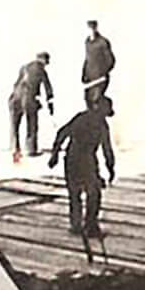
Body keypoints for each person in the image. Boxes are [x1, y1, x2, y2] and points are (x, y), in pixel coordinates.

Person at [47, 96, 116, 236]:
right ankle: (90, 226)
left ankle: (76, 225)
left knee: (75, 194)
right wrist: (110, 168)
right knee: (93, 193)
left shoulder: (81, 118)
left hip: (72, 158)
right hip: (86, 159)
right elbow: (107, 149)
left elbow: (62, 133)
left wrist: (54, 154)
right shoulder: (102, 125)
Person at [7, 51, 54, 162]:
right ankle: (31, 149)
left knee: (15, 126)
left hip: (14, 98)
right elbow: (48, 88)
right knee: (32, 125)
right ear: (44, 60)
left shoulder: (24, 67)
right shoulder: (41, 70)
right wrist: (50, 103)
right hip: (29, 100)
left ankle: (15, 149)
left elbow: (16, 84)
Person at [81, 19, 116, 106]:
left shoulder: (102, 42)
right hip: (89, 79)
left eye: (92, 28)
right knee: (88, 101)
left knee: (96, 102)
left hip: (100, 78)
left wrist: (103, 72)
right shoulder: (87, 42)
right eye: (89, 28)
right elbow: (87, 59)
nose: (90, 30)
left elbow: (110, 60)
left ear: (96, 28)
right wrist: (84, 73)